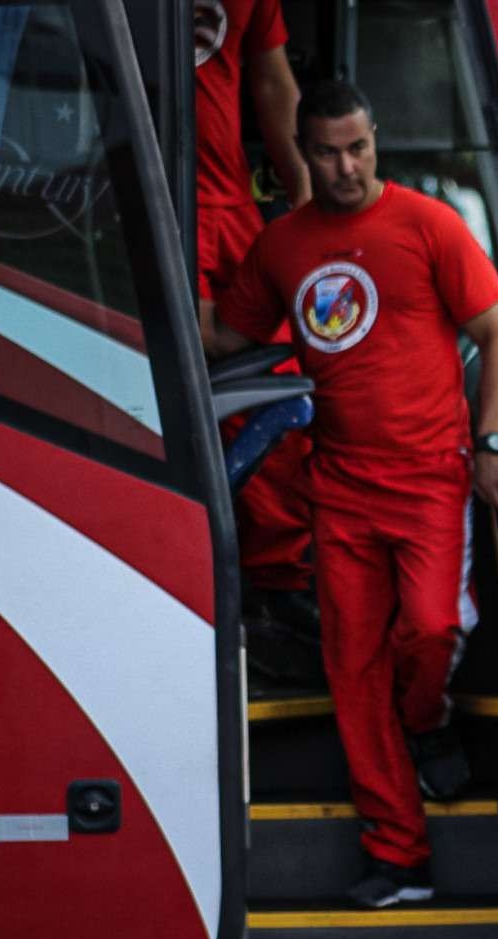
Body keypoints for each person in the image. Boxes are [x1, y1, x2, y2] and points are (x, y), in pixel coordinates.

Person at [207, 79, 498, 908]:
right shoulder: (283, 245)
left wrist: (490, 443)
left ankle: (426, 722)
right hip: (339, 490)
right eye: (326, 152)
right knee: (352, 672)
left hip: (431, 479)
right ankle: (400, 853)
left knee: (431, 628)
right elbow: (226, 334)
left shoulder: (428, 224)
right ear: (299, 156)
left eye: (358, 148)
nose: (345, 167)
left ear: (376, 141)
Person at [194, 0, 316, 634]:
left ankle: (276, 578)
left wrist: (304, 186)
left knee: (283, 388)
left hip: (228, 203)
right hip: (123, 199)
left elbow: (272, 78)